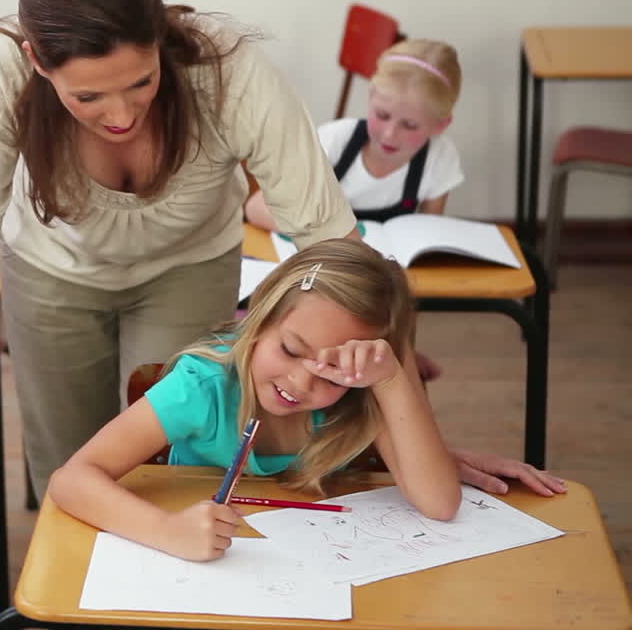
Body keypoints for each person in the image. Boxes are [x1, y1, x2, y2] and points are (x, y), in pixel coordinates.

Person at [0, 0, 365, 526]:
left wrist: (411, 426)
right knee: (67, 469)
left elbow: (338, 254)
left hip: (187, 267)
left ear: (161, 43)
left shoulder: (230, 72)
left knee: (171, 464)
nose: (120, 115)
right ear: (37, 62)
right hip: (51, 272)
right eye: (88, 96)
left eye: (141, 82)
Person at [48, 240, 566, 561]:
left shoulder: (362, 395)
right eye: (290, 349)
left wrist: (390, 381)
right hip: (207, 568)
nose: (301, 382)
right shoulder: (203, 385)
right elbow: (72, 479)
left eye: (332, 372)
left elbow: (439, 503)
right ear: (257, 319)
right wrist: (166, 530)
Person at [246, 38, 464, 381]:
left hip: (383, 290)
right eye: (382, 116)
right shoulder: (335, 142)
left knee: (396, 296)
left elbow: (428, 233)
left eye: (410, 125)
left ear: (440, 125)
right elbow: (256, 207)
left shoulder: (439, 158)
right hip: (316, 274)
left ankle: (397, 358)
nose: (391, 133)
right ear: (371, 99)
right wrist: (328, 236)